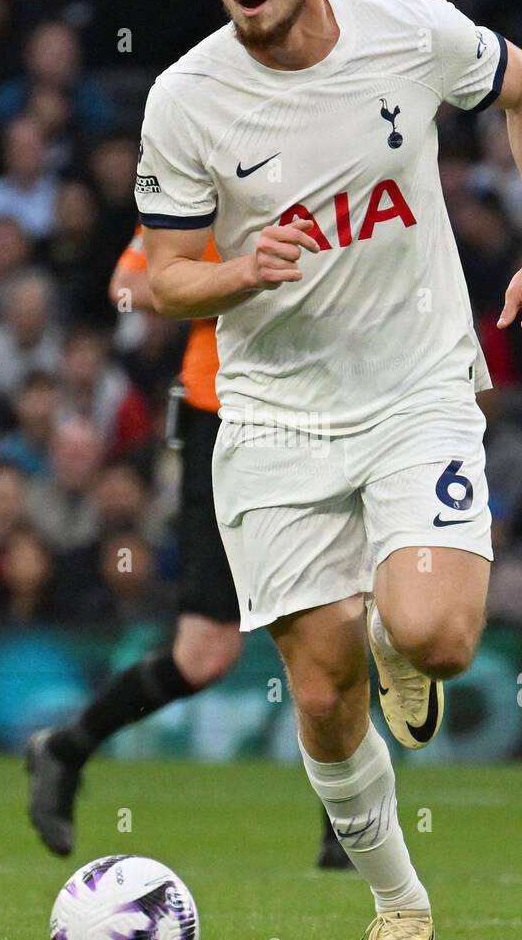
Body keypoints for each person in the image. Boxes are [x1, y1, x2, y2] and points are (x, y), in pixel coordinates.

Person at [135, 0, 522, 940]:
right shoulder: (184, 99)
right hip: (273, 415)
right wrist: (242, 271)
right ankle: (400, 903)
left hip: (414, 388)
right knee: (323, 689)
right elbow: (163, 277)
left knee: (438, 631)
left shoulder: (411, 34)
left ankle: (402, 636)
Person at [27, 224, 353, 870]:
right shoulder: (207, 181)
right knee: (205, 653)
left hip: (322, 418)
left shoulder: (335, 168)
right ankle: (66, 747)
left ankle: (345, 825)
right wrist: (236, 278)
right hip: (223, 420)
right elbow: (127, 286)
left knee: (334, 616)